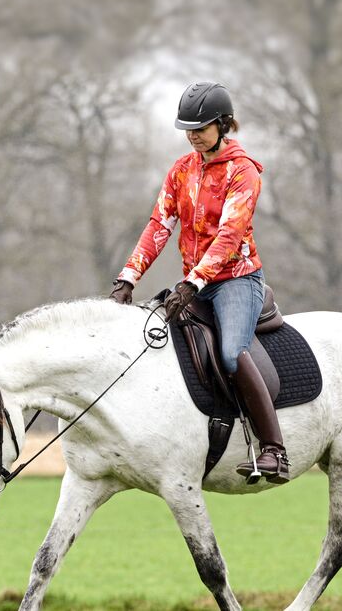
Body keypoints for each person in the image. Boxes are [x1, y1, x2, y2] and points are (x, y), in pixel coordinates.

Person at [108, 81, 289, 483]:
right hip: (196, 280)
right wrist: (128, 277)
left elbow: (230, 234)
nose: (192, 135)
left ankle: (275, 449)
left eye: (200, 127)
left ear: (223, 125)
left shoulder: (243, 171)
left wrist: (193, 281)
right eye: (187, 128)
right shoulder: (181, 170)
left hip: (235, 280)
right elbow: (159, 225)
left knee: (228, 353)